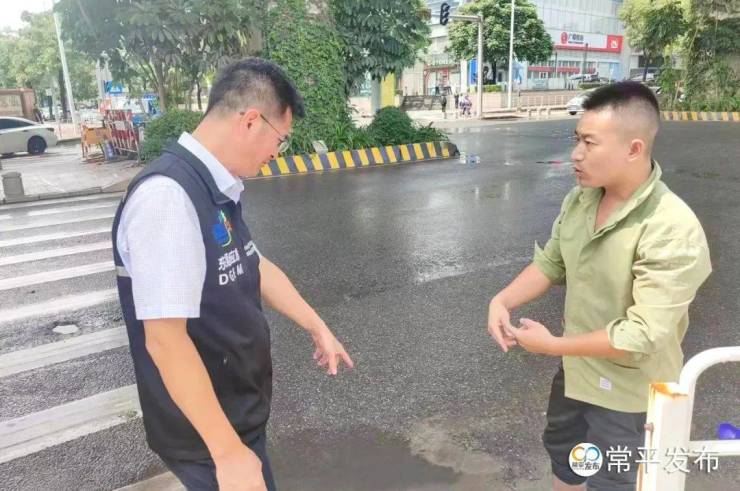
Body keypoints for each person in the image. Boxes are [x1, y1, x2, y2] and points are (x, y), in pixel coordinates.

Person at [112, 58, 354, 491]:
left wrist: (315, 324)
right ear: (250, 122)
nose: (276, 153)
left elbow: (252, 262)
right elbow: (165, 341)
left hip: (232, 417)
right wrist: (226, 452)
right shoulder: (168, 198)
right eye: (280, 139)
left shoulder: (216, 187)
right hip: (207, 436)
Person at [486, 81, 711, 491]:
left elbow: (642, 334)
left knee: (615, 480)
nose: (576, 154)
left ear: (634, 149)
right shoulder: (582, 200)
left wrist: (553, 345)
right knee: (568, 461)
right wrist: (502, 299)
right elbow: (553, 261)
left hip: (630, 394)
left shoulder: (671, 228)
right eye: (577, 140)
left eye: (590, 143)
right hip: (576, 375)